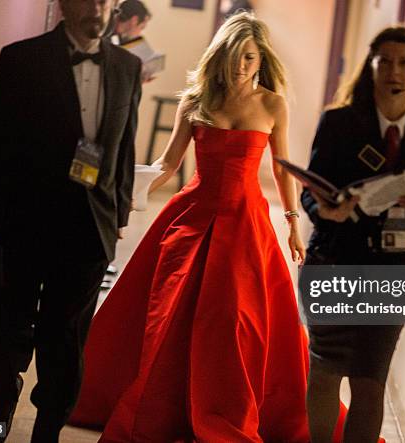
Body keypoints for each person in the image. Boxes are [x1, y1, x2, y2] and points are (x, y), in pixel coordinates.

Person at [69, 11, 345, 442]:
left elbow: (282, 168)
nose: (241, 66)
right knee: (172, 313)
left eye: (250, 58)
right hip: (192, 217)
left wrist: (292, 222)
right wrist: (120, 196)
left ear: (261, 59)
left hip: (246, 222)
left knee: (237, 317)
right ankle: (169, 406)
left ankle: (228, 408)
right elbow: (167, 164)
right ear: (221, 56)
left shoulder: (272, 104)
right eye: (235, 57)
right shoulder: (196, 101)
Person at [0, 0, 141, 441]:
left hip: (89, 227)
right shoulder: (22, 58)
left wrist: (118, 211)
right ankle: (3, 393)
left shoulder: (128, 67)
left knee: (65, 337)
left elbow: (125, 145)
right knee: (3, 324)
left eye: (107, 0)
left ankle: (47, 429)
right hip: (22, 220)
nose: (98, 8)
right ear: (65, 3)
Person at [301, 26, 405, 443]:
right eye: (385, 61)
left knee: (370, 381)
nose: (394, 71)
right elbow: (310, 190)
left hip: (393, 270)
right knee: (325, 372)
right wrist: (324, 210)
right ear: (371, 67)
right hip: (334, 260)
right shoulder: (338, 122)